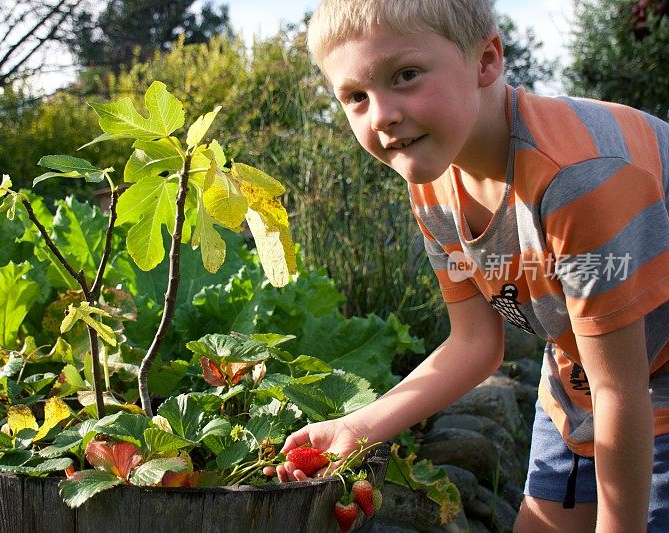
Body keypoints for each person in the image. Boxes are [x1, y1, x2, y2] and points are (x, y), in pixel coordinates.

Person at [263, 1, 669, 530]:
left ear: (486, 60)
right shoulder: (431, 181)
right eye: (356, 96)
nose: (381, 114)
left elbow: (623, 391)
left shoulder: (578, 178)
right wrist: (356, 427)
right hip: (586, 376)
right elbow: (475, 344)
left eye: (405, 75)